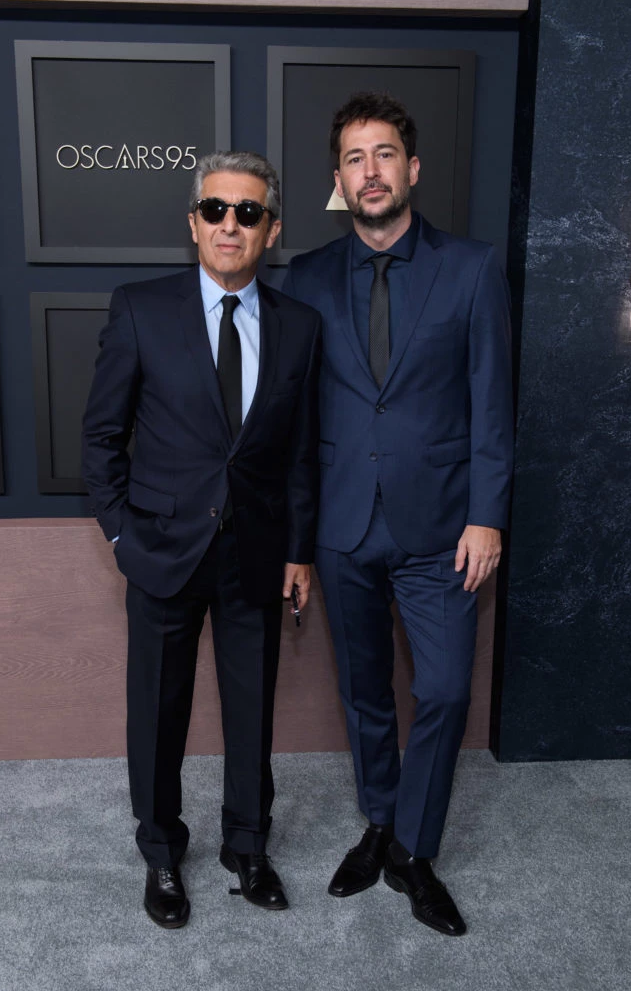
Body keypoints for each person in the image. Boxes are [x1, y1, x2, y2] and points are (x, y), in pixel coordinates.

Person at [283, 92, 513, 936]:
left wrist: (487, 515)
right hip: (342, 524)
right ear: (339, 179)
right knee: (363, 691)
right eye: (354, 158)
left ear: (411, 169)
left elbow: (491, 402)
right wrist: (295, 541)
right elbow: (296, 419)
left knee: (444, 689)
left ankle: (414, 850)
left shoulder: (470, 268)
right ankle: (379, 822)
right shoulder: (306, 275)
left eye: (383, 154)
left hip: (443, 528)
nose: (370, 171)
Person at [82, 151, 320, 928]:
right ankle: (160, 851)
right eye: (215, 210)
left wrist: (299, 550)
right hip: (161, 550)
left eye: (247, 213)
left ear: (270, 230)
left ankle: (247, 847)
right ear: (193, 223)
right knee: (157, 712)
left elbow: (300, 453)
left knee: (251, 711)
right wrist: (121, 535)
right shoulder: (140, 309)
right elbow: (101, 437)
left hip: (256, 553)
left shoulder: (298, 327)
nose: (229, 225)